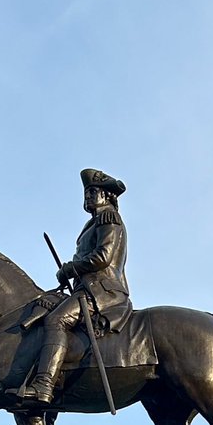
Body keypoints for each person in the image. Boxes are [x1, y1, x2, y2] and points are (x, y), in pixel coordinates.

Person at [19, 168, 132, 408]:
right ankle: (49, 413)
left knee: (57, 321)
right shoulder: (93, 223)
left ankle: (44, 385)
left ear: (106, 196)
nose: (88, 196)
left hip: (103, 290)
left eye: (93, 192)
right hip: (87, 288)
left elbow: (103, 257)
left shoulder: (107, 217)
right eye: (86, 192)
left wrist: (71, 268)